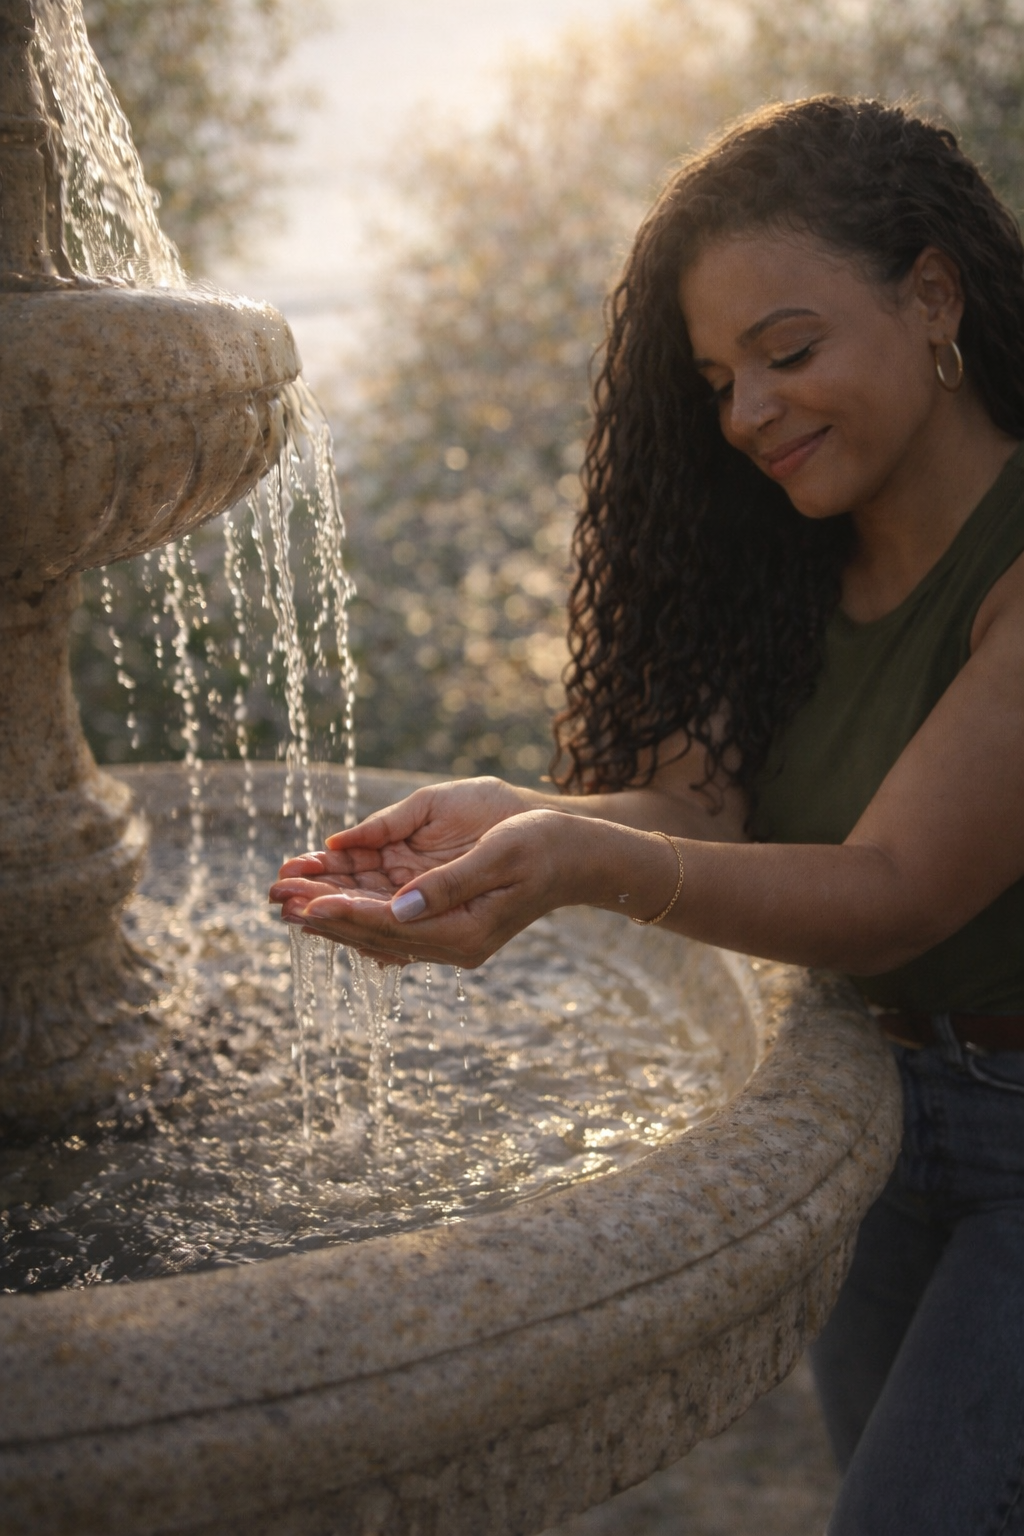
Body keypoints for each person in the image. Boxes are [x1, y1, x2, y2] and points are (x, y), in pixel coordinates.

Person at [270, 96, 1024, 1533]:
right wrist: (523, 815)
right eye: (720, 378)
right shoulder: (792, 546)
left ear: (934, 294)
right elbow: (698, 810)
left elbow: (894, 887)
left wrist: (577, 863)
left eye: (788, 353)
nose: (747, 415)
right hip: (862, 1112)